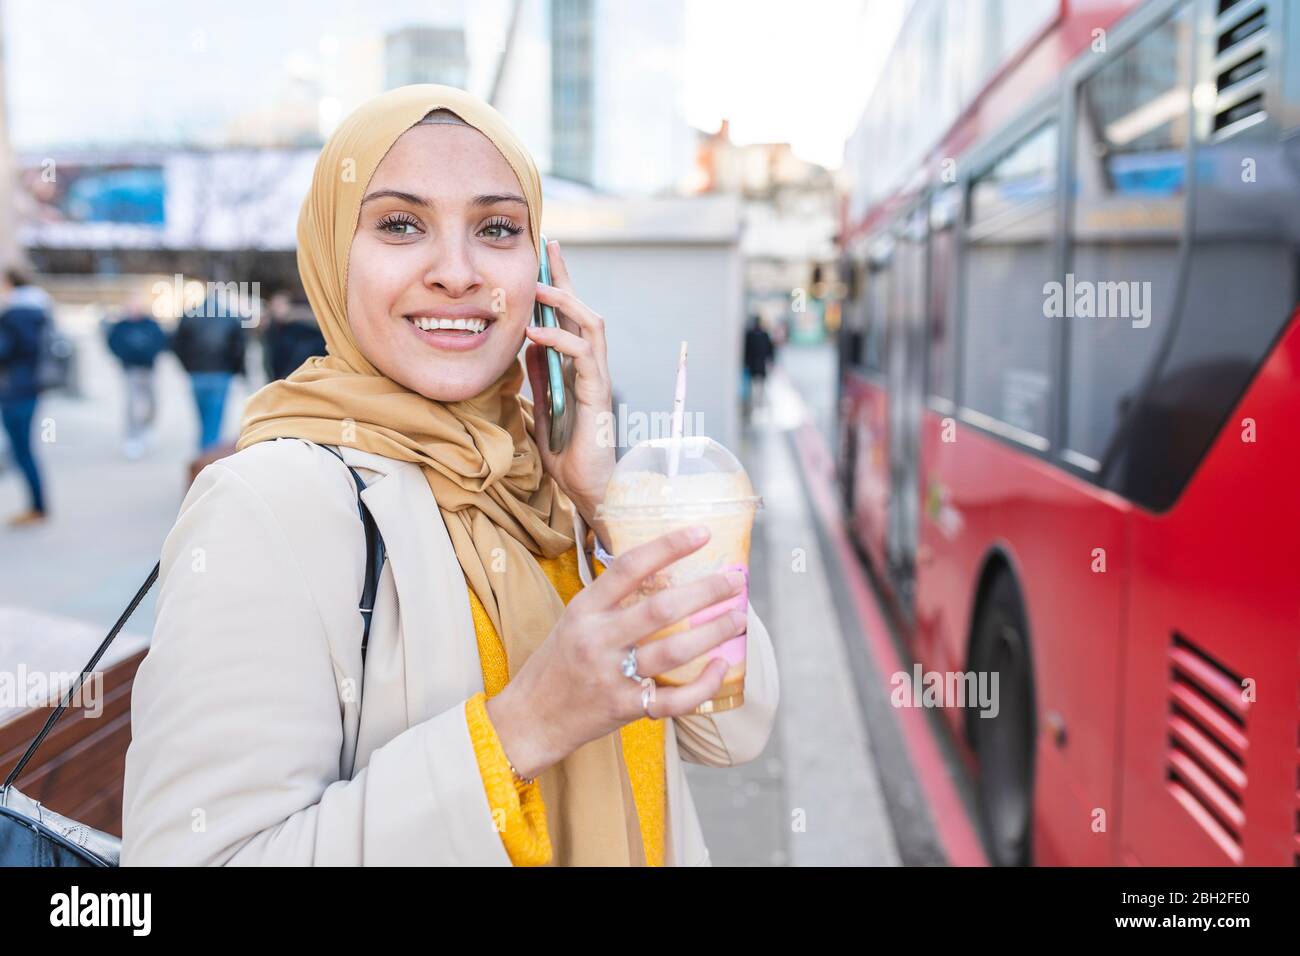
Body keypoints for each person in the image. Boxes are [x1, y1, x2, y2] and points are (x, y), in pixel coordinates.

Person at [121, 85, 779, 866]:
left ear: (538, 267)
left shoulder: (551, 483)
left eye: (497, 228)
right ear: (333, 253)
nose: (458, 272)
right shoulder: (267, 506)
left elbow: (731, 725)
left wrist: (608, 497)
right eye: (402, 225)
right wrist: (526, 726)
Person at [0, 267, 52, 526]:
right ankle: (38, 505)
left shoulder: (14, 315)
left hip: (14, 390)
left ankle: (37, 507)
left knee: (22, 450)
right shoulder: (39, 310)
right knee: (24, 449)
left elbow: (5, 351)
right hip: (31, 387)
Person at [169, 288, 246, 452]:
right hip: (220, 374)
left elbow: (177, 345)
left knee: (203, 418)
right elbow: (238, 348)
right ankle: (207, 454)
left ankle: (204, 452)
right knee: (215, 420)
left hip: (198, 374)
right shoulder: (229, 317)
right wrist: (235, 369)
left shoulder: (190, 316)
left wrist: (188, 367)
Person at [106, 295, 168, 459]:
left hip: (148, 368)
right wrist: (123, 356)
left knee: (152, 402)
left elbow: (161, 341)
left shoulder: (151, 325)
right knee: (132, 403)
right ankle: (132, 437)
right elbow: (112, 342)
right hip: (130, 369)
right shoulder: (121, 326)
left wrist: (151, 354)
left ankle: (147, 427)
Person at [261, 287, 325, 381]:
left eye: (280, 305)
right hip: (278, 378)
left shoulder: (301, 326)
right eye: (274, 305)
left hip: (296, 378)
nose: (277, 309)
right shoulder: (272, 328)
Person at [742, 313, 775, 421]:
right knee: (758, 386)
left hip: (755, 364)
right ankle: (758, 405)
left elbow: (769, 350)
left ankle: (758, 406)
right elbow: (770, 350)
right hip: (757, 364)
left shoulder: (752, 334)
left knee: (757, 386)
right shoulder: (759, 334)